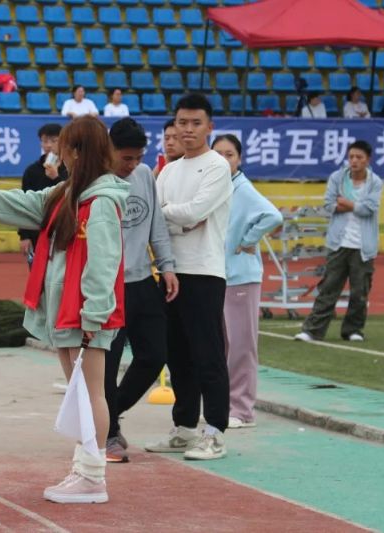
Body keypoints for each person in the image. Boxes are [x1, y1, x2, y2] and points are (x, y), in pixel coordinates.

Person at [0, 116, 129, 504]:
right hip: (66, 308)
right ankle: (84, 468)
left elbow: (105, 262)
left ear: (77, 151)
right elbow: (16, 203)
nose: (58, 154)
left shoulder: (102, 201)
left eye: (64, 147)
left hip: (85, 312)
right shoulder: (64, 193)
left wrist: (94, 314)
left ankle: (92, 476)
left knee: (91, 393)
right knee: (79, 393)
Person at [147, 93, 232, 461]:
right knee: (177, 354)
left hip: (204, 272)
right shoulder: (168, 170)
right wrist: (177, 218)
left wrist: (170, 215)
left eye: (196, 123)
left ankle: (215, 431)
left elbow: (196, 212)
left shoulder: (216, 167)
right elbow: (157, 218)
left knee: (207, 354)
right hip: (169, 271)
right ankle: (184, 427)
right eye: (182, 122)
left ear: (209, 127)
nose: (188, 129)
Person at [104, 118, 178, 463]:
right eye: (126, 158)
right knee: (107, 364)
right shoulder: (95, 182)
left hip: (142, 281)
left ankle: (107, 413)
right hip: (106, 286)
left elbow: (156, 225)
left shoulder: (145, 175)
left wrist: (167, 266)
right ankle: (107, 433)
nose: (132, 164)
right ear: (109, 150)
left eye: (138, 157)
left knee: (154, 354)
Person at [212, 134, 283, 429]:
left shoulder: (242, 188)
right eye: (218, 154)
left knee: (241, 345)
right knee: (223, 345)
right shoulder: (217, 187)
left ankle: (241, 410)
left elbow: (272, 216)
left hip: (241, 277)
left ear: (239, 159)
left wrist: (248, 240)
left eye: (229, 154)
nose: (223, 160)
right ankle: (223, 406)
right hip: (219, 275)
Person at [295, 141, 384, 343]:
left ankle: (353, 330)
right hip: (338, 243)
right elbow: (329, 204)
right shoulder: (337, 178)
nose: (354, 161)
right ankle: (312, 330)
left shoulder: (375, 182)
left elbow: (370, 208)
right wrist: (353, 205)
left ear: (368, 160)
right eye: (351, 157)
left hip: (363, 246)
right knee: (328, 288)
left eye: (359, 157)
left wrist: (347, 203)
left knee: (360, 292)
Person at [18, 123, 68, 266]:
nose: (49, 145)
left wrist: (56, 178)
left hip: (63, 230)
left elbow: (72, 196)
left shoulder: (69, 169)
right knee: (37, 273)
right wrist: (24, 235)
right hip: (37, 230)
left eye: (54, 141)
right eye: (45, 141)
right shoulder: (32, 171)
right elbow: (25, 202)